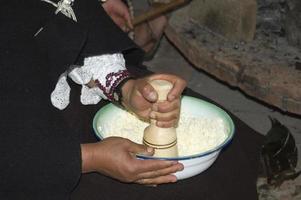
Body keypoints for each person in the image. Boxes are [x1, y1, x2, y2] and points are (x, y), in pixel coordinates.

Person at [0, 0, 264, 200]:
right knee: (190, 189)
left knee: (232, 152)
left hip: (57, 80)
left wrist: (124, 88)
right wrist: (90, 158)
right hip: (30, 155)